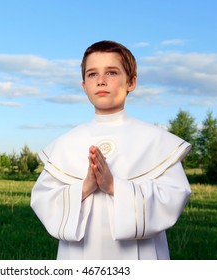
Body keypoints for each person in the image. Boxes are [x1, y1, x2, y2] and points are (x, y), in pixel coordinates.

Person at [30, 40, 191, 260]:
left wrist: (114, 186)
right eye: (92, 74)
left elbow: (173, 198)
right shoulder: (66, 144)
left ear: (131, 82)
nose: (101, 81)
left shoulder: (155, 141)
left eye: (112, 73)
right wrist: (86, 187)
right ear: (84, 85)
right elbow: (43, 200)